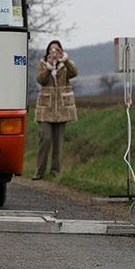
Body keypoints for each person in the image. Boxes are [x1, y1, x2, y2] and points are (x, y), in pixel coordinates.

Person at [33, 40, 78, 180]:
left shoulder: (65, 65)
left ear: (61, 51)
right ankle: (39, 172)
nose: (54, 52)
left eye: (57, 50)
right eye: (52, 50)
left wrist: (65, 60)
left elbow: (74, 73)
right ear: (47, 52)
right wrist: (49, 67)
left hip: (61, 110)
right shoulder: (42, 64)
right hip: (46, 110)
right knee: (45, 139)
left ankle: (55, 172)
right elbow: (40, 80)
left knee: (58, 143)